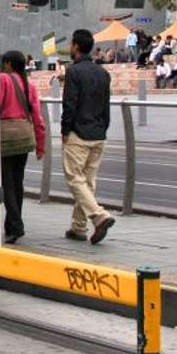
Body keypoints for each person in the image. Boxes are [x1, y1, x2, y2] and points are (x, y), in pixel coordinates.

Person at [60, 29, 115, 244]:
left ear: (75, 45)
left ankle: (99, 216)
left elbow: (70, 104)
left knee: (74, 178)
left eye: (72, 44)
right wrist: (103, 128)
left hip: (79, 133)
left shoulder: (73, 72)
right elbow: (106, 106)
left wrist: (65, 130)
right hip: (99, 133)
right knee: (88, 182)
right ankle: (78, 227)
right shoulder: (103, 73)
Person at [0, 50, 47, 245]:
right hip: (24, 138)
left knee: (7, 184)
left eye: (4, 63)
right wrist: (40, 146)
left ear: (8, 64)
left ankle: (16, 226)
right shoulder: (29, 86)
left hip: (6, 137)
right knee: (18, 183)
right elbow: (38, 119)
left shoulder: (3, 79)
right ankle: (11, 227)